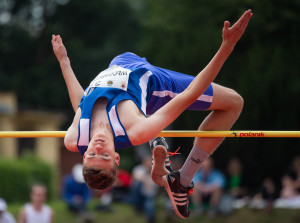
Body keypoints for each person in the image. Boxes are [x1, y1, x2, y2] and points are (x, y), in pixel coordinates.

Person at [52, 9, 252, 219]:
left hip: (120, 63)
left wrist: (64, 61)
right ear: (117, 158)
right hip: (157, 85)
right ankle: (182, 179)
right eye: (105, 156)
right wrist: (226, 47)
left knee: (146, 125)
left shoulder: (75, 137)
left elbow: (81, 104)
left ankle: (158, 143)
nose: (98, 147)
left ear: (84, 155)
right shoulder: (133, 130)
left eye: (92, 154)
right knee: (234, 102)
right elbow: (191, 93)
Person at [128, 156, 158, 223]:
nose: (151, 163)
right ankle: (137, 206)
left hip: (149, 194)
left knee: (149, 205)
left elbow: (154, 186)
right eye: (149, 161)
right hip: (139, 193)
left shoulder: (156, 171)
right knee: (137, 183)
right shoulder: (139, 168)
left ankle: (150, 218)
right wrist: (145, 180)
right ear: (144, 161)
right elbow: (136, 176)